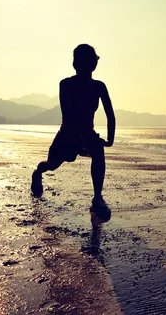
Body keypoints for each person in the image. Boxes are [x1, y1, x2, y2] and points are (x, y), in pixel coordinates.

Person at [31, 44, 116, 214]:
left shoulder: (99, 86)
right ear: (78, 63)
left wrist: (110, 139)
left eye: (96, 59)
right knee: (52, 165)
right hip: (67, 136)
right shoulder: (66, 84)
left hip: (88, 134)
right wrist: (83, 140)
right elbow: (69, 116)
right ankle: (37, 173)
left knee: (98, 151)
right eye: (93, 58)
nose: (95, 62)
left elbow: (110, 114)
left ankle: (97, 198)